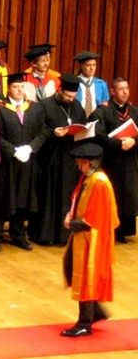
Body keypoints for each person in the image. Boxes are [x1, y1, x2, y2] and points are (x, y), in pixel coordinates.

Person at [60, 143, 118, 337]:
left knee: (86, 277)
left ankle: (85, 323)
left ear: (88, 162)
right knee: (71, 268)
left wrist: (72, 224)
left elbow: (96, 217)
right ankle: (96, 312)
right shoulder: (90, 178)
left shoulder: (99, 182)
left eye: (80, 163)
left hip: (92, 239)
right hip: (83, 236)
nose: (78, 167)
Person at [30, 74, 86, 245]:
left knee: (68, 197)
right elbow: (37, 130)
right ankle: (44, 235)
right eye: (67, 96)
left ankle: (64, 235)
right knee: (48, 197)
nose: (70, 100)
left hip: (70, 158)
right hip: (50, 159)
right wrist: (53, 133)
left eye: (73, 97)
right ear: (60, 91)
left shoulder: (76, 106)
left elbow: (83, 126)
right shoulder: (44, 106)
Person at [0, 73, 40, 250]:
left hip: (27, 160)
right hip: (6, 162)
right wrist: (13, 151)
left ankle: (18, 233)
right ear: (8, 88)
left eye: (22, 86)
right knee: (2, 197)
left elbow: (43, 133)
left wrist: (30, 148)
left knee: (22, 196)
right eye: (16, 87)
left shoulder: (34, 108)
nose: (20, 90)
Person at [88, 77, 138, 243]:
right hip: (110, 161)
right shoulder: (103, 110)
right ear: (112, 92)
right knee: (111, 195)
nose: (125, 92)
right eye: (121, 89)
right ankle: (108, 229)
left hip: (130, 160)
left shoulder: (134, 111)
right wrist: (119, 143)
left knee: (128, 195)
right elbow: (98, 134)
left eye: (127, 88)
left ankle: (123, 230)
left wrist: (134, 141)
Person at [75, 51, 109, 116]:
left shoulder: (101, 85)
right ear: (82, 66)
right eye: (88, 65)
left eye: (94, 65)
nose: (92, 68)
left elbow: (105, 106)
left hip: (97, 120)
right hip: (78, 119)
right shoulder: (74, 83)